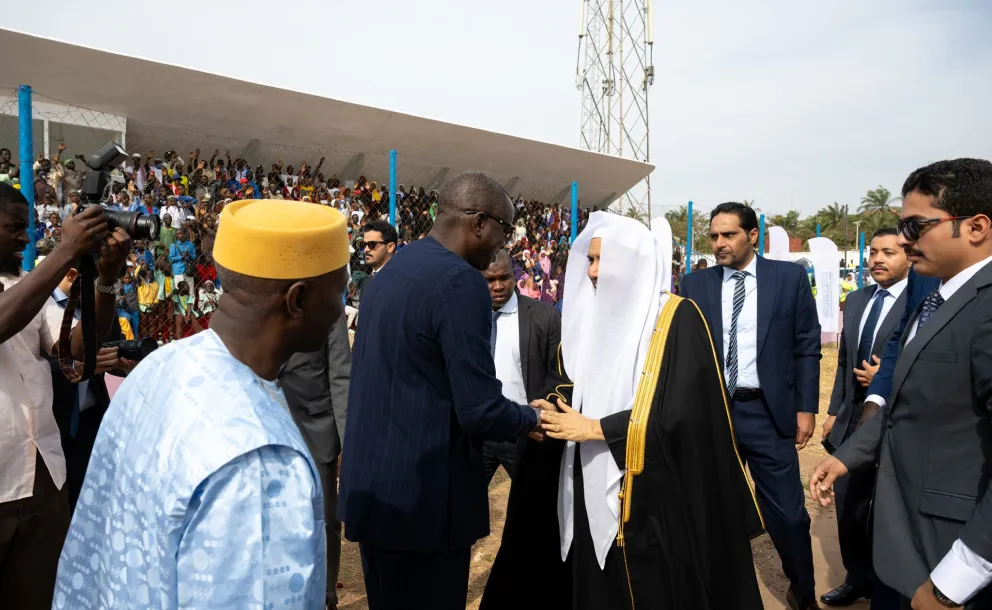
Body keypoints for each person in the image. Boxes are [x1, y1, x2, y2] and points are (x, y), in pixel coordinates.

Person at [54, 199, 351, 609]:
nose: (342, 307)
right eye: (340, 291)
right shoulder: (262, 462)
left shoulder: (156, 370)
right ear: (297, 300)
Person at [482, 212, 764, 610]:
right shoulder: (589, 319)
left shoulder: (677, 319)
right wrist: (551, 404)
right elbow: (567, 378)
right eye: (590, 260)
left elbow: (686, 415)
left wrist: (598, 428)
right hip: (583, 477)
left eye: (601, 260)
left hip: (649, 493)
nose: (592, 272)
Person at [339, 171, 547, 610]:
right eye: (503, 231)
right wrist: (532, 418)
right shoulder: (460, 281)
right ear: (478, 222)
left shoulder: (387, 276)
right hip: (424, 505)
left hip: (377, 496)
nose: (501, 245)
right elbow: (478, 408)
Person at [811, 159, 992, 610]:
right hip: (903, 543)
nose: (905, 239)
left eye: (916, 225)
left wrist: (957, 580)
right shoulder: (936, 297)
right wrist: (849, 457)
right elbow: (904, 404)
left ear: (976, 227)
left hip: (948, 555)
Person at [680, 201, 821, 610]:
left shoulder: (789, 278)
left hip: (768, 413)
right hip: (712, 416)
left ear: (752, 234)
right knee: (711, 510)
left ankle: (803, 589)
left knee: (790, 515)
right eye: (714, 236)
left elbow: (806, 346)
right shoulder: (695, 285)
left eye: (729, 234)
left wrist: (805, 408)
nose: (720, 243)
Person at [0, 184, 130, 609]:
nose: (25, 237)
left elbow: (74, 345)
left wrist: (107, 278)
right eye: (15, 227)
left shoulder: (23, 287)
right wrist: (65, 252)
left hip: (42, 474)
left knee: (40, 596)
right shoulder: (25, 291)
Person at [820, 227, 910, 606]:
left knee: (887, 508)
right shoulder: (856, 300)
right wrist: (833, 411)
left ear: (909, 256)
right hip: (851, 415)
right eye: (873, 252)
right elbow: (843, 363)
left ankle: (889, 584)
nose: (877, 259)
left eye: (888, 252)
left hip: (894, 418)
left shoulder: (922, 302)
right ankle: (857, 578)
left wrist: (886, 379)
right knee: (848, 503)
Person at [48, 268, 138, 514]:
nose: (102, 288)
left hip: (90, 419)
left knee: (89, 497)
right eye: (98, 281)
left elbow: (111, 352)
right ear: (73, 274)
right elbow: (32, 361)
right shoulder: (39, 304)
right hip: (52, 422)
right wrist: (74, 366)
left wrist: (123, 365)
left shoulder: (99, 307)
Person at [278, 315, 351, 610]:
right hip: (265, 433)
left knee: (322, 520)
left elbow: (341, 377)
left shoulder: (326, 307)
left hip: (316, 434)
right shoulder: (254, 300)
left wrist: (349, 445)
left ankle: (324, 596)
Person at [480, 249, 562, 484]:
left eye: (503, 278)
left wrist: (541, 418)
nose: (497, 286)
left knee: (533, 508)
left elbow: (557, 374)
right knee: (466, 509)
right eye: (489, 280)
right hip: (481, 433)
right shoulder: (468, 316)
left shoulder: (545, 317)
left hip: (525, 432)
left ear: (515, 277)